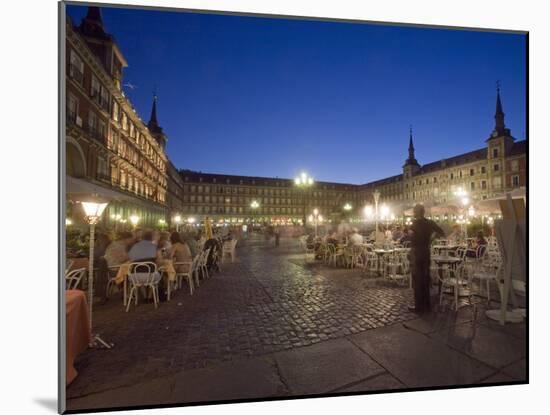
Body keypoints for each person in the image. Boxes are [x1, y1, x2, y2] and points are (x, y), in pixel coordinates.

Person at [409, 204, 444, 313]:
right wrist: (431, 239)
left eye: (414, 211)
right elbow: (441, 232)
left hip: (417, 253)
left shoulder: (414, 224)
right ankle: (427, 305)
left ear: (418, 212)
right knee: (426, 277)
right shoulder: (429, 222)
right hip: (426, 252)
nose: (413, 213)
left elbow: (413, 239)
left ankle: (419, 307)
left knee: (417, 280)